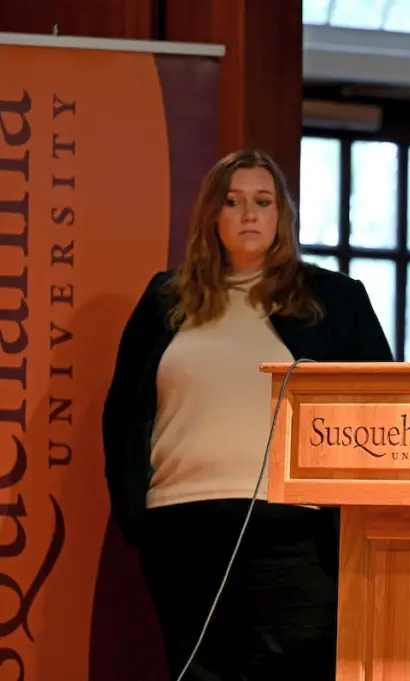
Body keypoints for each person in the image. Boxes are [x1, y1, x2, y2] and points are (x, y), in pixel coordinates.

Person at [102, 149, 393, 680]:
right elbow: (125, 415)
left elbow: (380, 404)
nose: (249, 214)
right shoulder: (165, 299)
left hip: (295, 534)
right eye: (233, 203)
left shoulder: (333, 298)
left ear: (282, 215)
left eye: (263, 201)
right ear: (213, 215)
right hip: (181, 529)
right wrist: (135, 519)